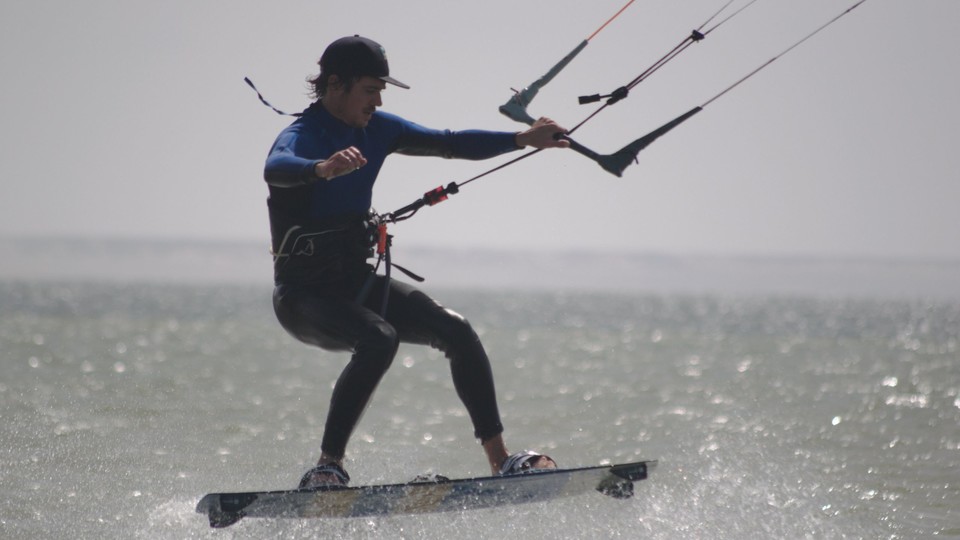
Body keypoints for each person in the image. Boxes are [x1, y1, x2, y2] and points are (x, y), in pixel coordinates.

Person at [262, 35, 568, 488]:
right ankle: (328, 465)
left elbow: (447, 143)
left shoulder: (379, 129)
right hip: (303, 296)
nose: (378, 100)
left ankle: (500, 459)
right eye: (370, 89)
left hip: (355, 283)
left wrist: (521, 138)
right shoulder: (303, 136)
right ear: (335, 85)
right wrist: (321, 169)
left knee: (456, 330)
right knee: (379, 339)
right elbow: (276, 167)